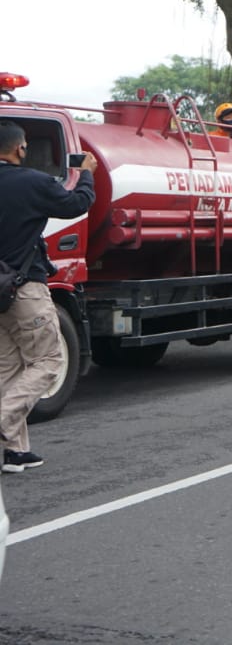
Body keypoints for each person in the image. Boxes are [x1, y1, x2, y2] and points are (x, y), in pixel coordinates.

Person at [0, 122, 97, 473]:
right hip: (24, 289)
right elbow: (77, 204)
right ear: (20, 150)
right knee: (49, 361)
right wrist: (85, 174)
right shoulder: (32, 182)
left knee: (8, 369)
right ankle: (4, 421)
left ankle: (15, 452)